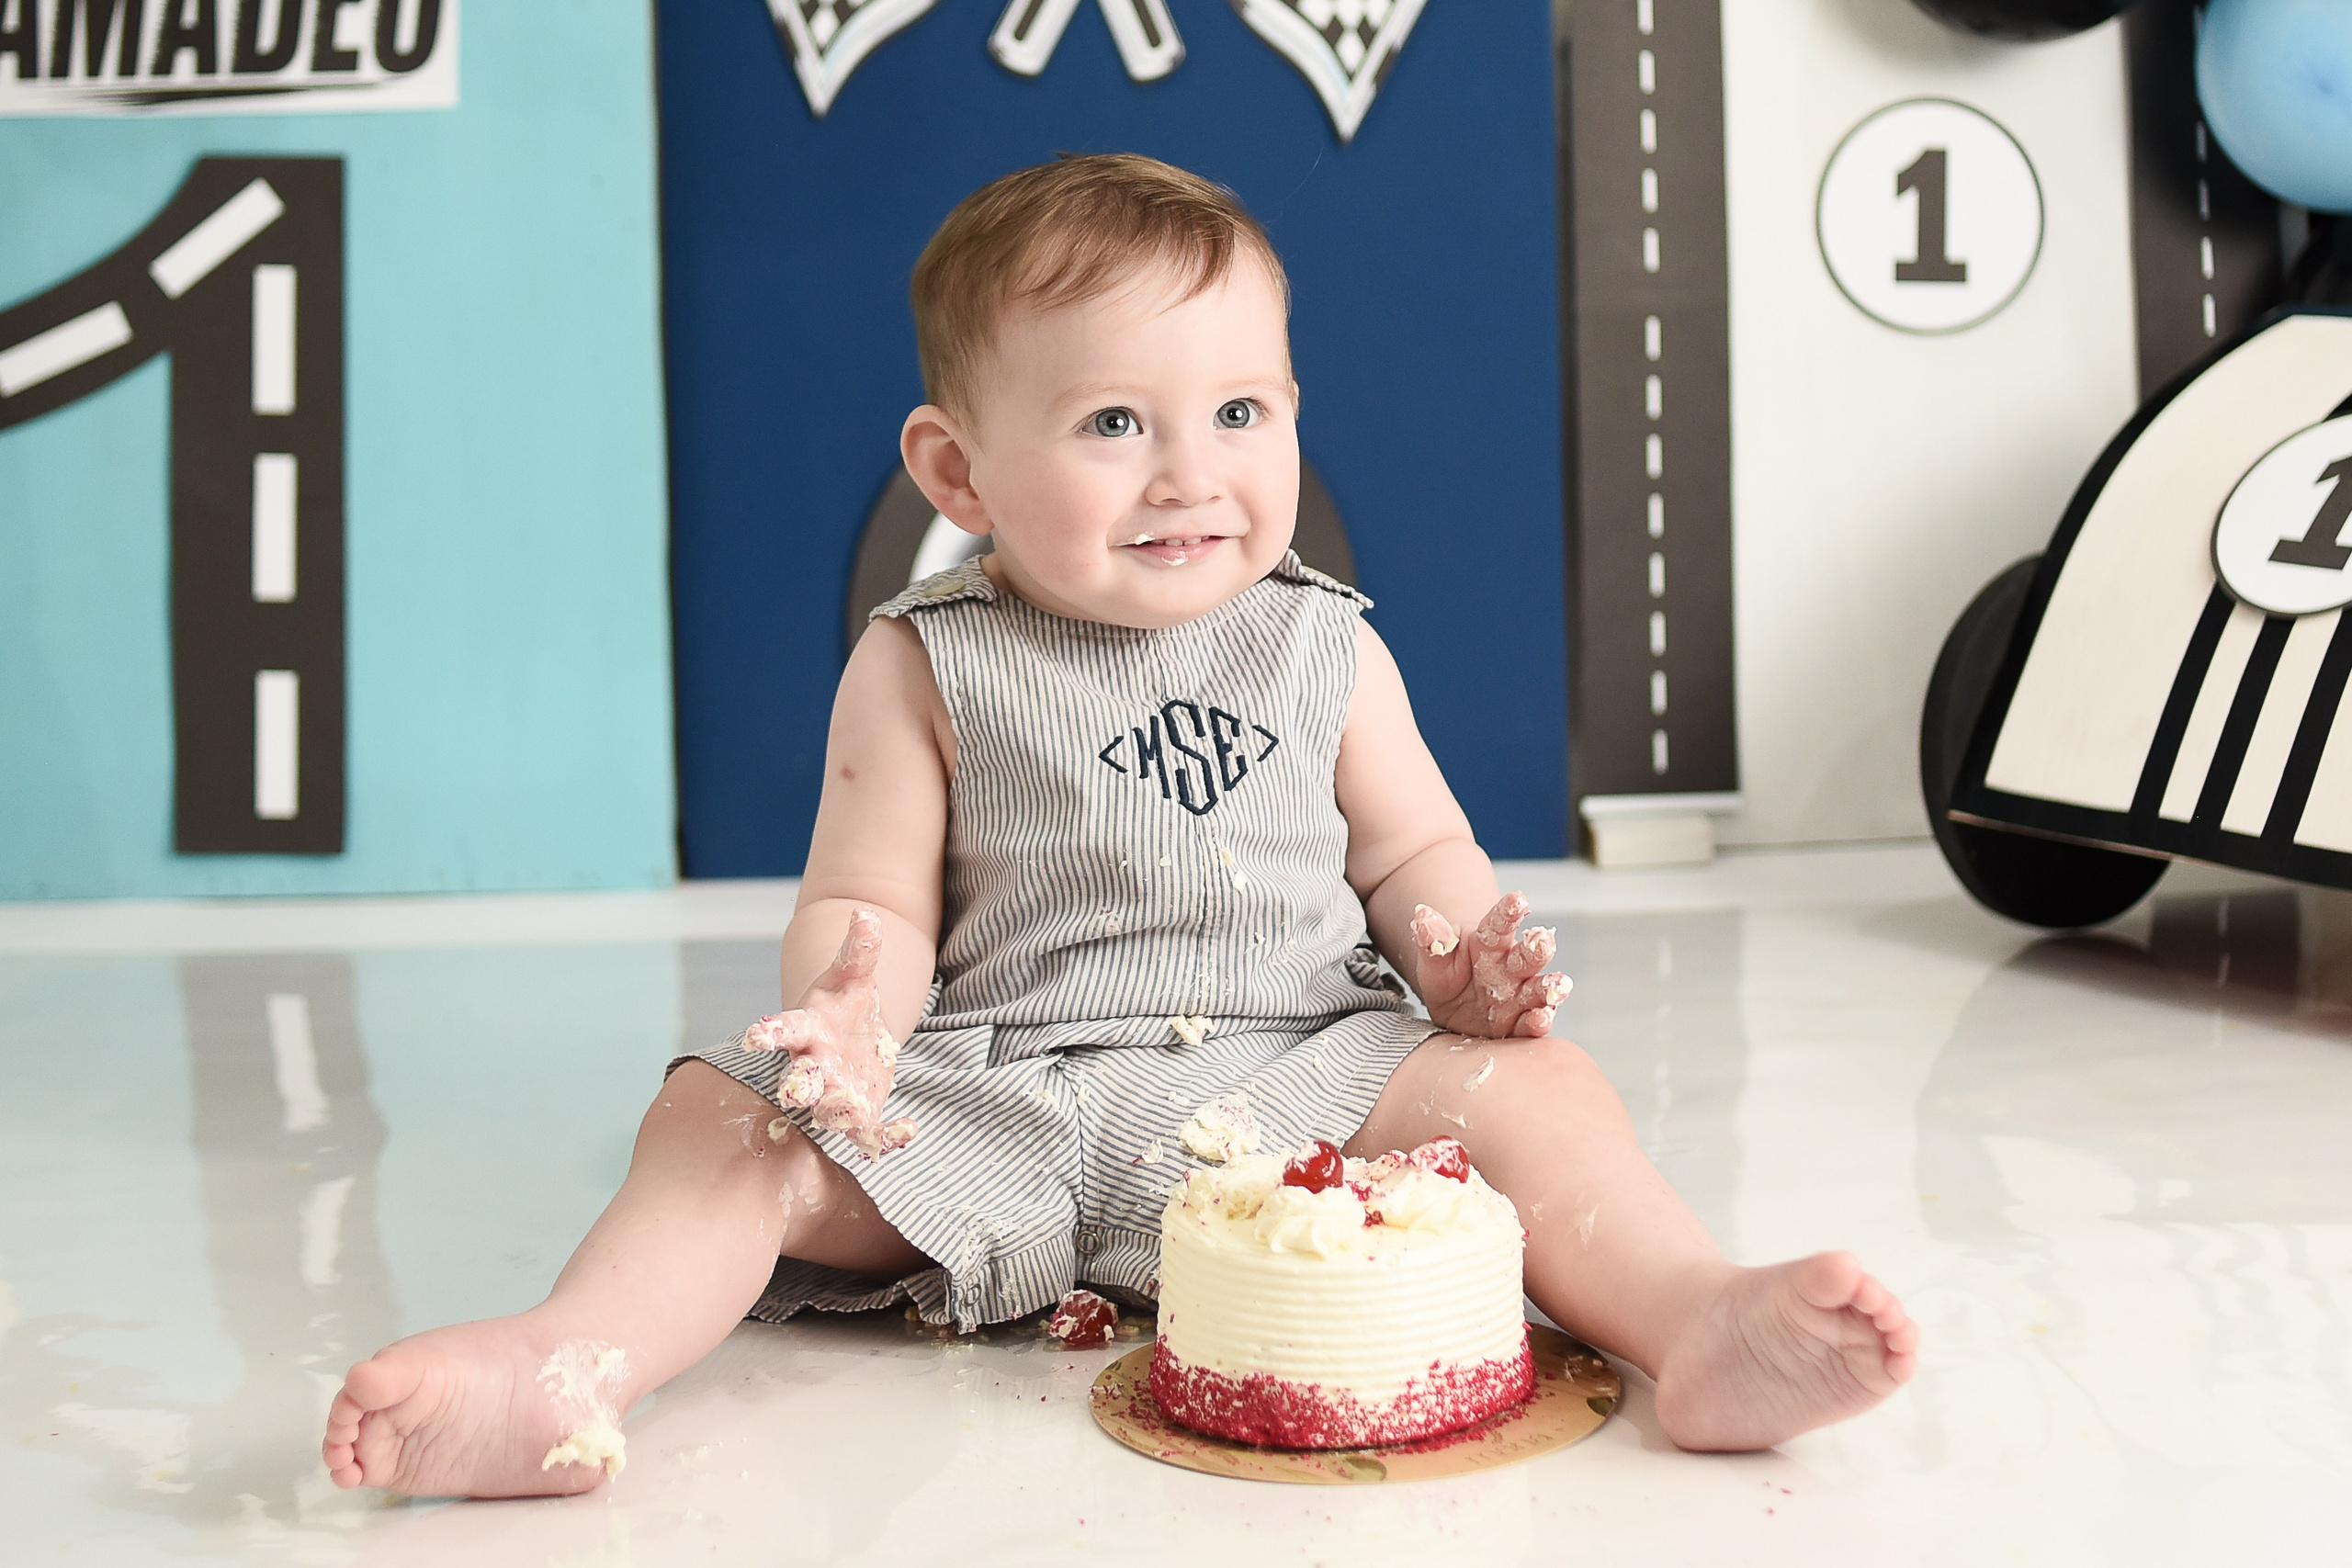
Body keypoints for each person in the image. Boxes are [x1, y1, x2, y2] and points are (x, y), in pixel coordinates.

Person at [322, 154, 1917, 1498]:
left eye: (1239, 411)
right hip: (992, 1098)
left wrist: (1459, 963)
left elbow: (1414, 857)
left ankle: (1695, 1318)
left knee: (1541, 1094)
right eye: (1111, 425)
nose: (1189, 474)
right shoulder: (922, 661)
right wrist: (851, 1020)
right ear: (959, 470)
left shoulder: (1326, 647)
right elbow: (870, 902)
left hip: (1298, 1077)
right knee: (719, 1121)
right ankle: (569, 1366)